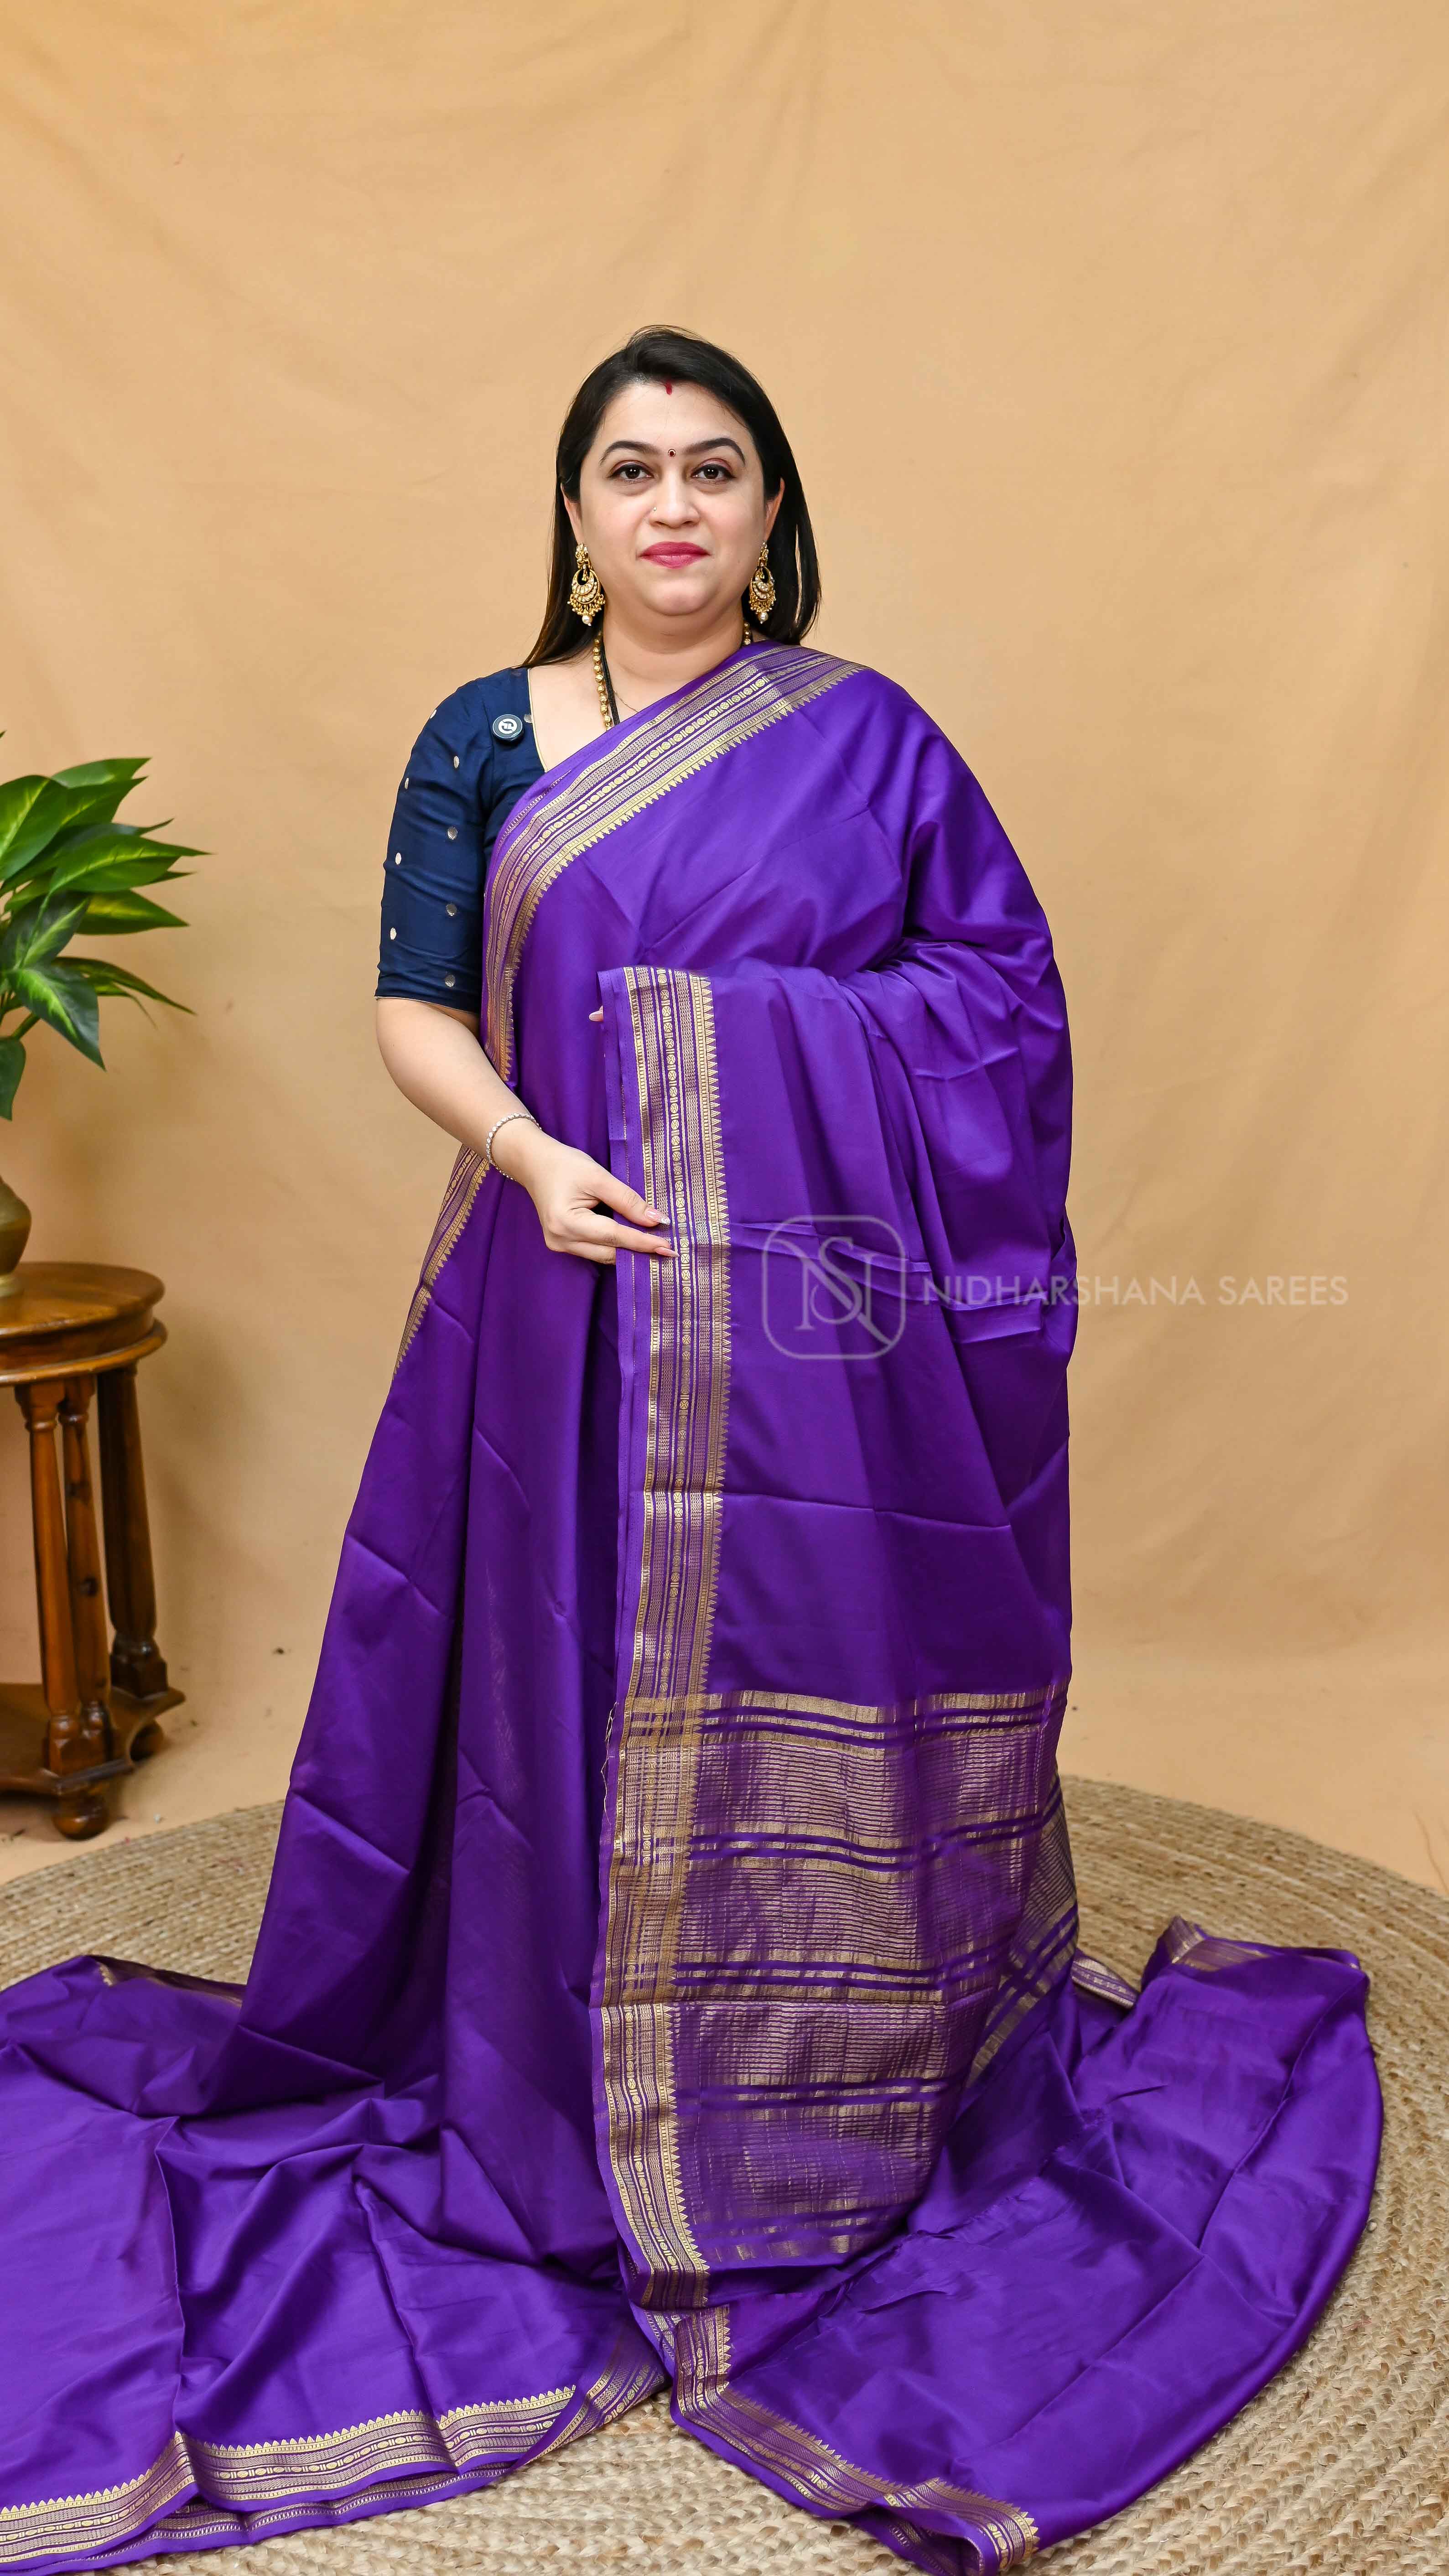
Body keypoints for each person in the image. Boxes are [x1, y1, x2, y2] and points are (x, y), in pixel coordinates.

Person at [0, 327, 1380, 2575]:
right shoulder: (486, 733)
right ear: (573, 513)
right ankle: (562, 2067)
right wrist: (539, 1152)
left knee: (798, 1650)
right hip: (559, 1282)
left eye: (712, 470)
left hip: (818, 1335)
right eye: (629, 469)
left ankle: (811, 2089)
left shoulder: (870, 741)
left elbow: (1001, 1004)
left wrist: (726, 1048)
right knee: (551, 1681)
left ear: (768, 512)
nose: (670, 506)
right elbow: (413, 1003)